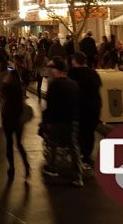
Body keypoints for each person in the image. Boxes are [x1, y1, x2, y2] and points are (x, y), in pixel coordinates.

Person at [42, 56, 83, 186]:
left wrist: (47, 121)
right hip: (72, 119)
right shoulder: (73, 84)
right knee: (73, 147)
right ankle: (78, 176)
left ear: (56, 69)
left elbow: (51, 105)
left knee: (53, 144)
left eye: (52, 68)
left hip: (58, 120)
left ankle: (52, 167)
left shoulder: (54, 86)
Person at [68, 52, 102, 168]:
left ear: (75, 61)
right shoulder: (93, 73)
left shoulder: (73, 73)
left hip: (80, 108)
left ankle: (81, 156)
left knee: (80, 133)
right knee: (89, 132)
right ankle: (87, 155)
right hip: (94, 107)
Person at [1, 66, 30, 179]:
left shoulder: (6, 87)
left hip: (8, 117)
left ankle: (12, 167)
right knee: (19, 143)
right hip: (18, 118)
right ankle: (26, 165)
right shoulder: (19, 87)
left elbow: (4, 100)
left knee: (9, 143)